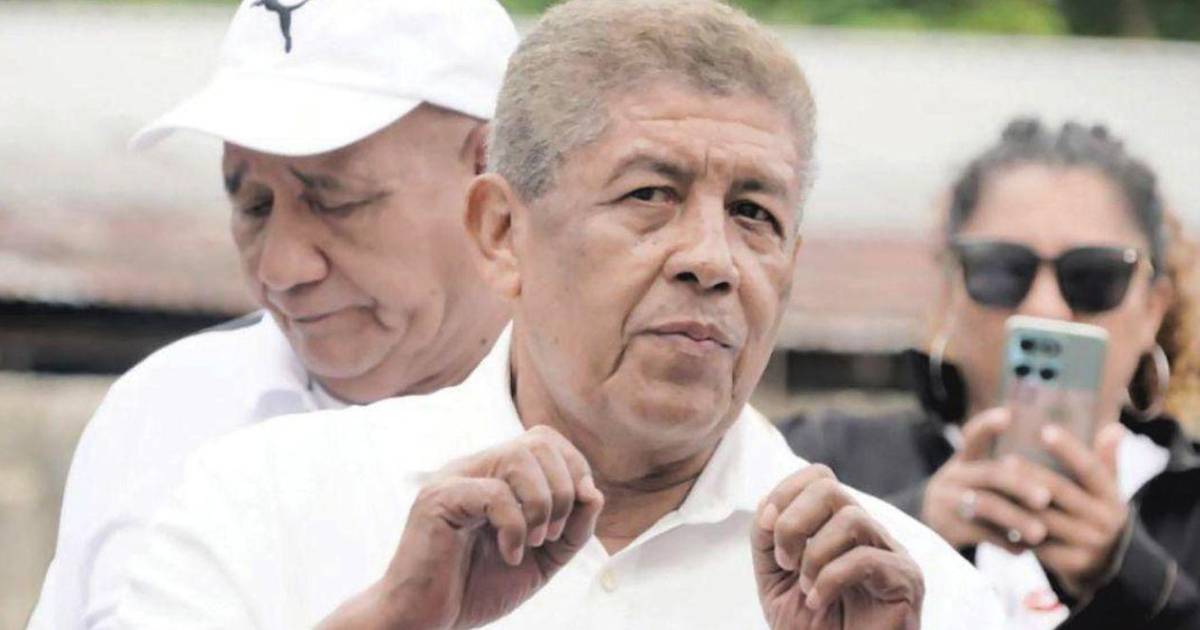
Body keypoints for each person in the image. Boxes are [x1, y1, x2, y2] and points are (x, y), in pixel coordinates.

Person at [104, 1, 1006, 629]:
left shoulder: (909, 595)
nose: (712, 259)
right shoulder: (258, 508)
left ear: (792, 264)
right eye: (650, 194)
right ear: (501, 232)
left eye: (753, 214)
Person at [27, 1, 517, 628]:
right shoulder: (161, 411)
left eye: (336, 200)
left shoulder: (613, 432)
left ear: (490, 169)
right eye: (254, 206)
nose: (281, 268)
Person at [783, 118, 1200, 629]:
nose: (1044, 308)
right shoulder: (820, 458)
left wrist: (1130, 574)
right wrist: (912, 528)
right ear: (950, 294)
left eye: (1094, 277)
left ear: (1154, 308)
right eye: (1001, 271)